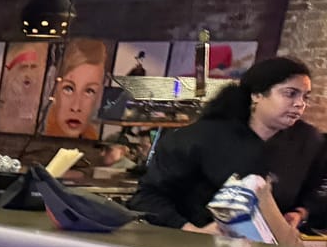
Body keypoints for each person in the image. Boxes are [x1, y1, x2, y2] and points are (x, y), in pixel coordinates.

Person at [128, 56, 326, 231]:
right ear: (257, 95)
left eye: (304, 97)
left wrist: (300, 213)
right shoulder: (199, 138)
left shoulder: (308, 141)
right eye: (290, 94)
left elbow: (315, 192)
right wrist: (191, 231)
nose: (300, 103)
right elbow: (147, 197)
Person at [44, 37, 109, 139]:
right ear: (54, 88)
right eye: (68, 89)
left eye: (89, 91)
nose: (76, 107)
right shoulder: (37, 131)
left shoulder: (93, 137)